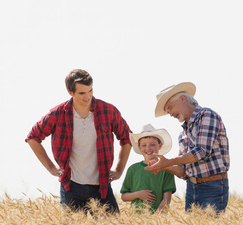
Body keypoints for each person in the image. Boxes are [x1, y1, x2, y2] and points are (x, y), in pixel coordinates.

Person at [25, 69, 132, 214]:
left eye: (90, 90)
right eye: (82, 93)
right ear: (70, 92)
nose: (87, 96)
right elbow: (33, 138)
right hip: (71, 187)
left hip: (101, 186)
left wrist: (119, 170)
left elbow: (128, 138)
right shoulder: (57, 114)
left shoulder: (108, 111)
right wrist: (51, 167)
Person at [145, 82, 230, 213]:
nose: (170, 114)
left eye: (170, 108)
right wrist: (164, 166)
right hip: (191, 187)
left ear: (183, 99)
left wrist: (169, 161)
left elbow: (201, 151)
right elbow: (184, 171)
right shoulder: (182, 134)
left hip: (212, 186)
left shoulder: (207, 115)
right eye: (168, 112)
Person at [120, 124, 176, 213]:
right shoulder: (133, 169)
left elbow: (167, 198)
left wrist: (156, 218)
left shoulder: (166, 169)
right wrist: (138, 194)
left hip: (158, 220)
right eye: (144, 145)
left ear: (160, 145)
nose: (148, 148)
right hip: (135, 221)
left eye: (152, 144)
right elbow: (124, 196)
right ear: (139, 147)